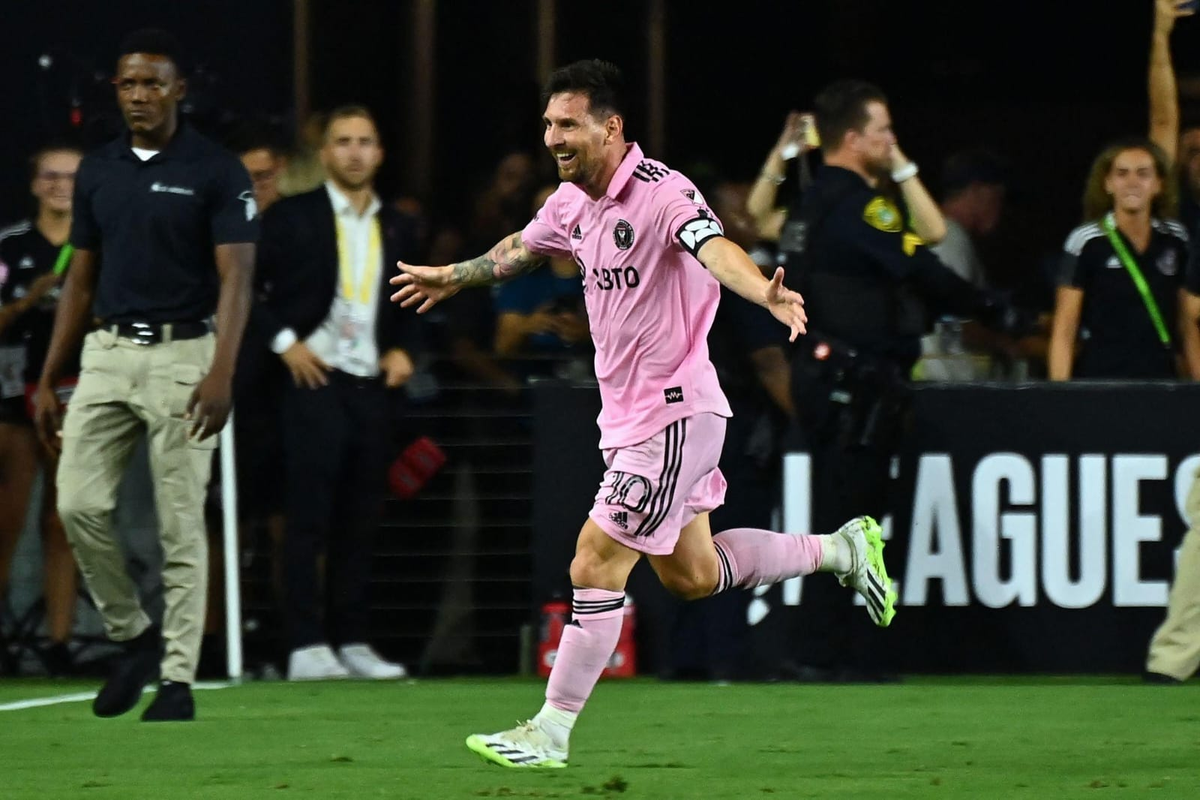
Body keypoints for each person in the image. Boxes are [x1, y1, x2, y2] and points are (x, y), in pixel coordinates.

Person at [391, 59, 896, 768]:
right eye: (547, 124)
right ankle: (843, 550)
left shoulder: (663, 192)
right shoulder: (571, 201)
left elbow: (712, 247)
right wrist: (455, 275)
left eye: (568, 124)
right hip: (638, 420)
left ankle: (551, 730)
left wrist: (765, 293)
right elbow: (521, 250)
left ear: (611, 126)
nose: (553, 137)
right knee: (691, 574)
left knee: (594, 559)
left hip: (673, 415)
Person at [32, 29, 257, 720]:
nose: (140, 95)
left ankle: (178, 679)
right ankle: (133, 634)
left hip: (184, 355)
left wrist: (221, 371)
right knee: (77, 505)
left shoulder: (217, 170)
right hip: (105, 353)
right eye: (129, 84)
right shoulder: (97, 169)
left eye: (153, 83)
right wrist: (49, 376)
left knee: (179, 520)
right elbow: (79, 278)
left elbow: (238, 275)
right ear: (116, 90)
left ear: (178, 91)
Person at [783, 79, 1029, 680]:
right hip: (856, 382)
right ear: (852, 138)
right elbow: (922, 264)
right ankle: (835, 655)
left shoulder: (811, 201)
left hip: (825, 375)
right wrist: (992, 307)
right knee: (855, 519)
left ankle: (823, 650)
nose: (894, 141)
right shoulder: (864, 205)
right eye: (884, 130)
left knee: (836, 516)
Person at [248, 105, 419, 681]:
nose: (353, 151)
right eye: (342, 141)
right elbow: (242, 287)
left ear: (380, 153)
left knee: (362, 517)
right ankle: (302, 643)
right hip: (310, 379)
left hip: (370, 383)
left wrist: (406, 349)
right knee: (306, 515)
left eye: (364, 141)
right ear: (323, 153)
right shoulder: (292, 216)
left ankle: (351, 639)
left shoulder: (397, 224)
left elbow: (423, 296)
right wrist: (284, 343)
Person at [0, 143, 83, 675]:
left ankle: (60, 644)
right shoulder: (9, 245)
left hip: (78, 391)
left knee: (64, 518)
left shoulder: (96, 244)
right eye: (49, 176)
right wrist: (31, 300)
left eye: (71, 178)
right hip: (12, 394)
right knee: (7, 520)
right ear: (34, 184)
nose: (59, 185)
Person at [1047, 139, 1198, 380]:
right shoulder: (1086, 241)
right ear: (1107, 183)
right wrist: (1058, 397)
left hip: (1162, 383)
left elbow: (1186, 323)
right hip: (1101, 382)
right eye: (1122, 173)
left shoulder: (1176, 238)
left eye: (1143, 174)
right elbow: (1065, 330)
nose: (1132, 183)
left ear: (1159, 184)